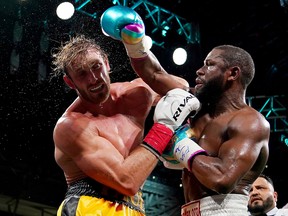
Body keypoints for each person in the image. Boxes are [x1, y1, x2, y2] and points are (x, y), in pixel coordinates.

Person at [101, 5, 271, 215]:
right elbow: (154, 74)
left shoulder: (250, 122)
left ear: (232, 73)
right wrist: (135, 43)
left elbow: (221, 179)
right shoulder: (194, 104)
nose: (199, 71)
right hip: (189, 210)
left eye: (209, 65)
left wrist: (179, 142)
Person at [51, 34, 201, 216]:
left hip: (134, 208)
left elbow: (181, 89)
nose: (93, 79)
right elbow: (126, 180)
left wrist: (139, 52)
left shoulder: (136, 95)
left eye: (96, 66)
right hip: (90, 206)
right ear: (70, 82)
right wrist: (164, 128)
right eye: (82, 73)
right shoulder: (72, 126)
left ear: (106, 63)